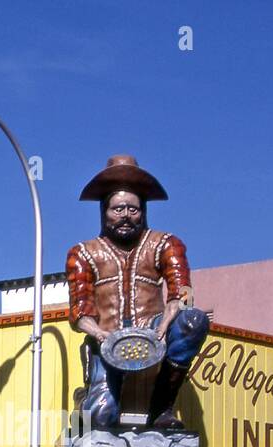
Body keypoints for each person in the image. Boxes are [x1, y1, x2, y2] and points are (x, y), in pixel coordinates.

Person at [65, 155, 211, 430]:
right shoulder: (82, 253)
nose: (125, 216)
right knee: (96, 421)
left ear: (143, 210)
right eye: (118, 209)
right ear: (104, 210)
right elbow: (79, 310)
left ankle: (162, 408)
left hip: (154, 331)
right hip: (107, 340)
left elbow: (182, 290)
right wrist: (99, 334)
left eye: (133, 210)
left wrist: (168, 321)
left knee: (194, 320)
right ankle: (87, 398)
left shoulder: (166, 243)